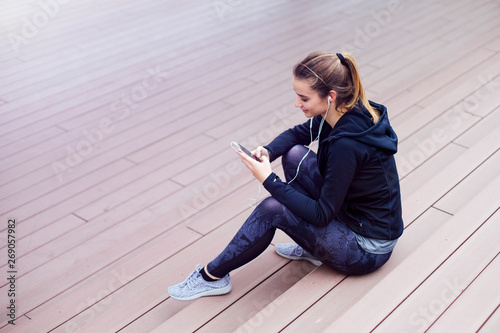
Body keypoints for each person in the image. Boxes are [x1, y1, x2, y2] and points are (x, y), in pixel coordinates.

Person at [168, 51, 404, 301]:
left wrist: (269, 180)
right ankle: (311, 245)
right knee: (293, 154)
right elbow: (295, 135)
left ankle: (211, 277)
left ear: (330, 96)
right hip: (351, 217)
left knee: (272, 209)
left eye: (303, 98)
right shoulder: (343, 110)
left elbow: (322, 213)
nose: (297, 104)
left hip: (365, 249)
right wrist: (268, 151)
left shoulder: (347, 145)